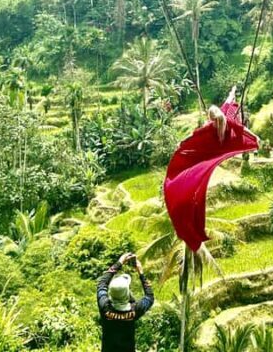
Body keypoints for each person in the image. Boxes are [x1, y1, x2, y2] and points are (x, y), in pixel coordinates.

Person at [164, 86, 259, 252]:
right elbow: (242, 128)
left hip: (211, 151)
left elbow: (194, 136)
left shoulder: (210, 127)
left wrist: (182, 144)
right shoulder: (228, 121)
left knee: (186, 178)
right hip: (227, 146)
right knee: (229, 106)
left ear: (211, 118)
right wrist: (255, 138)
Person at [96, 252, 154, 352]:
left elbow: (102, 283)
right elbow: (149, 297)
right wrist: (141, 273)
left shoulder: (104, 306)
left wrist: (119, 263)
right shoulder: (134, 310)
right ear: (127, 293)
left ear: (111, 293)